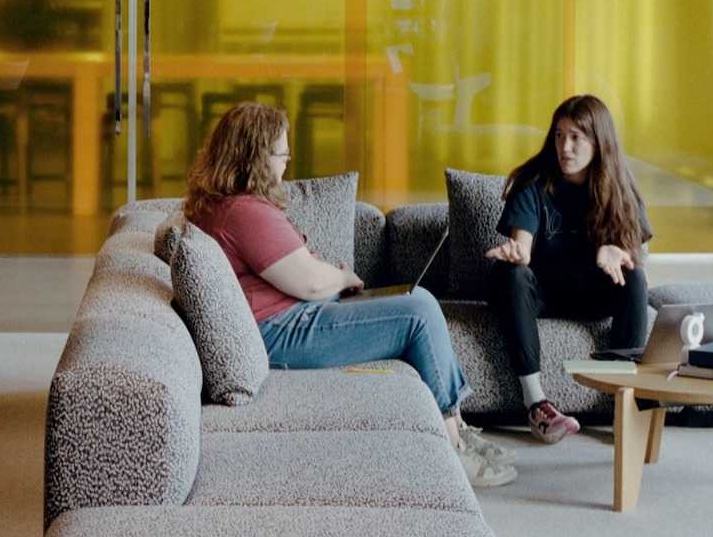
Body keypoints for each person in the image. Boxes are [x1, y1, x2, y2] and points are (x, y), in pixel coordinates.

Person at [183, 102, 514, 488]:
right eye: (280, 153)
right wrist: (340, 279)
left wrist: (335, 280)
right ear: (254, 155)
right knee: (419, 310)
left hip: (287, 320)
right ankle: (452, 447)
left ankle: (454, 422)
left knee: (415, 303)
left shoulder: (225, 205)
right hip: (282, 330)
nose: (287, 162)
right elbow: (306, 281)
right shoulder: (242, 212)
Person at [484, 94, 654, 445]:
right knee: (510, 274)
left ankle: (626, 398)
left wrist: (616, 249)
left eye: (577, 137)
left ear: (599, 141)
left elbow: (638, 253)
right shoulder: (533, 184)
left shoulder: (620, 187)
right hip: (544, 295)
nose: (566, 146)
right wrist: (516, 252)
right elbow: (523, 247)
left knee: (635, 276)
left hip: (592, 293)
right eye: (560, 135)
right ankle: (537, 407)